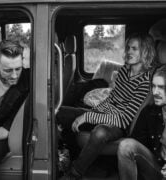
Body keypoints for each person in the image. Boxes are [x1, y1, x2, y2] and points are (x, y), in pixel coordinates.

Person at [57, 33, 156, 180]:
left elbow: (124, 120)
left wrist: (88, 116)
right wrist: (93, 112)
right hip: (103, 114)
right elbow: (112, 99)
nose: (129, 52)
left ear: (145, 52)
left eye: (134, 49)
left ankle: (74, 174)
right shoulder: (124, 71)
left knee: (100, 132)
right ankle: (65, 156)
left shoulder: (145, 82)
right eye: (128, 48)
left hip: (118, 125)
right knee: (60, 112)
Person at [0, 40, 29, 180]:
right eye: (8, 70)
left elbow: (8, 127)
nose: (15, 76)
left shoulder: (28, 83)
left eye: (18, 68)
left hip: (1, 128)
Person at [117, 65, 166, 180]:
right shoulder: (149, 111)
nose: (155, 92)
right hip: (157, 167)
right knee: (126, 146)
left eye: (161, 87)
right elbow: (137, 141)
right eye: (153, 86)